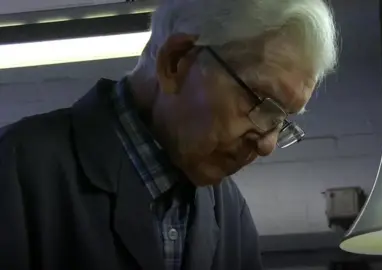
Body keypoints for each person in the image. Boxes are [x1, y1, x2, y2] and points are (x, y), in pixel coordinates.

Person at [0, 0, 337, 269]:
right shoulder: (14, 171)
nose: (267, 144)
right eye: (262, 104)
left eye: (280, 120)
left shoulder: (229, 212)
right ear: (176, 62)